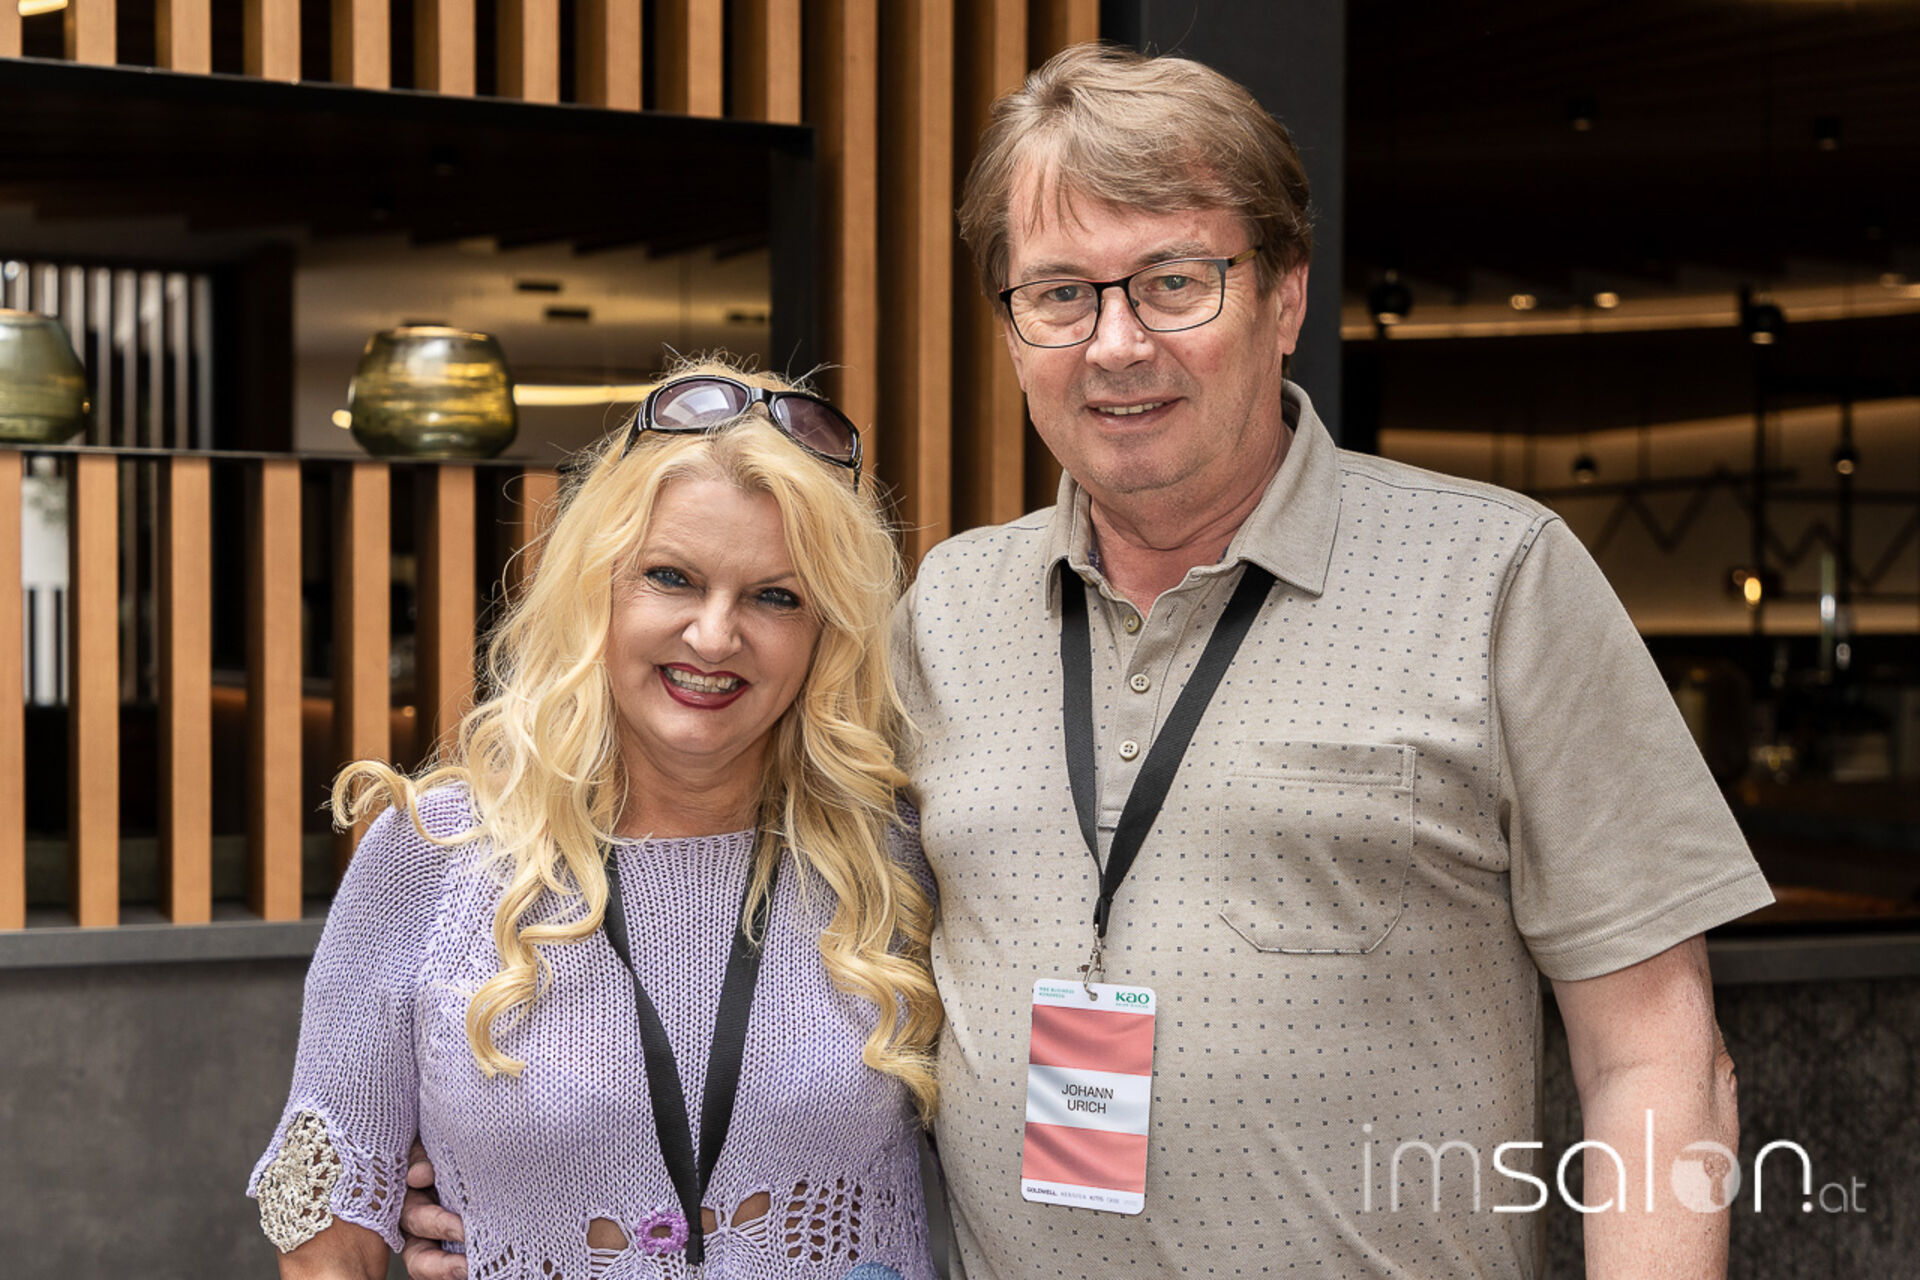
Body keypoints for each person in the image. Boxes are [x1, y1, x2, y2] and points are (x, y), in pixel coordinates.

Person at [407, 43, 1773, 1280]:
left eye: (1175, 281)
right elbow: (740, 884)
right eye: (1060, 294)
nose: (1117, 344)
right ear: (1013, 330)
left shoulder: (1497, 580)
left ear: (1285, 294)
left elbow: (1656, 1053)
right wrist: (539, 1177)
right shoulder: (946, 609)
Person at [249, 362, 943, 1280]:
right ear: (596, 587)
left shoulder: (897, 855)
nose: (714, 636)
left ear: (828, 632)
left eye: (776, 596)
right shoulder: (436, 854)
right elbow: (326, 1232)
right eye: (671, 578)